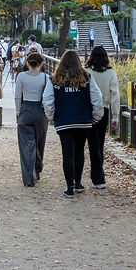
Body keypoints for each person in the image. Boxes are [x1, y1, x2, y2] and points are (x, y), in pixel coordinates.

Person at [43, 50, 103, 198]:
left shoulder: (55, 79)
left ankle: (69, 187)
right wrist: (96, 117)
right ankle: (78, 182)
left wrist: (51, 117)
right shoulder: (86, 78)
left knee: (67, 153)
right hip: (83, 121)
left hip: (64, 121)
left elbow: (48, 100)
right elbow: (97, 99)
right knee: (79, 151)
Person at [84, 45, 120, 189]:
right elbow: (115, 97)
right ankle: (97, 173)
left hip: (89, 111)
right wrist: (115, 116)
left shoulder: (86, 72)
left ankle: (97, 177)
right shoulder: (110, 74)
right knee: (100, 143)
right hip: (104, 111)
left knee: (93, 143)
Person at [14, 50, 49, 186]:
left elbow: (18, 96)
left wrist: (18, 111)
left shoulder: (21, 77)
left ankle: (29, 178)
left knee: (26, 145)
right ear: (41, 63)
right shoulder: (45, 78)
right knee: (40, 143)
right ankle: (37, 168)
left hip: (26, 110)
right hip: (40, 111)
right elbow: (48, 97)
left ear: (27, 63)